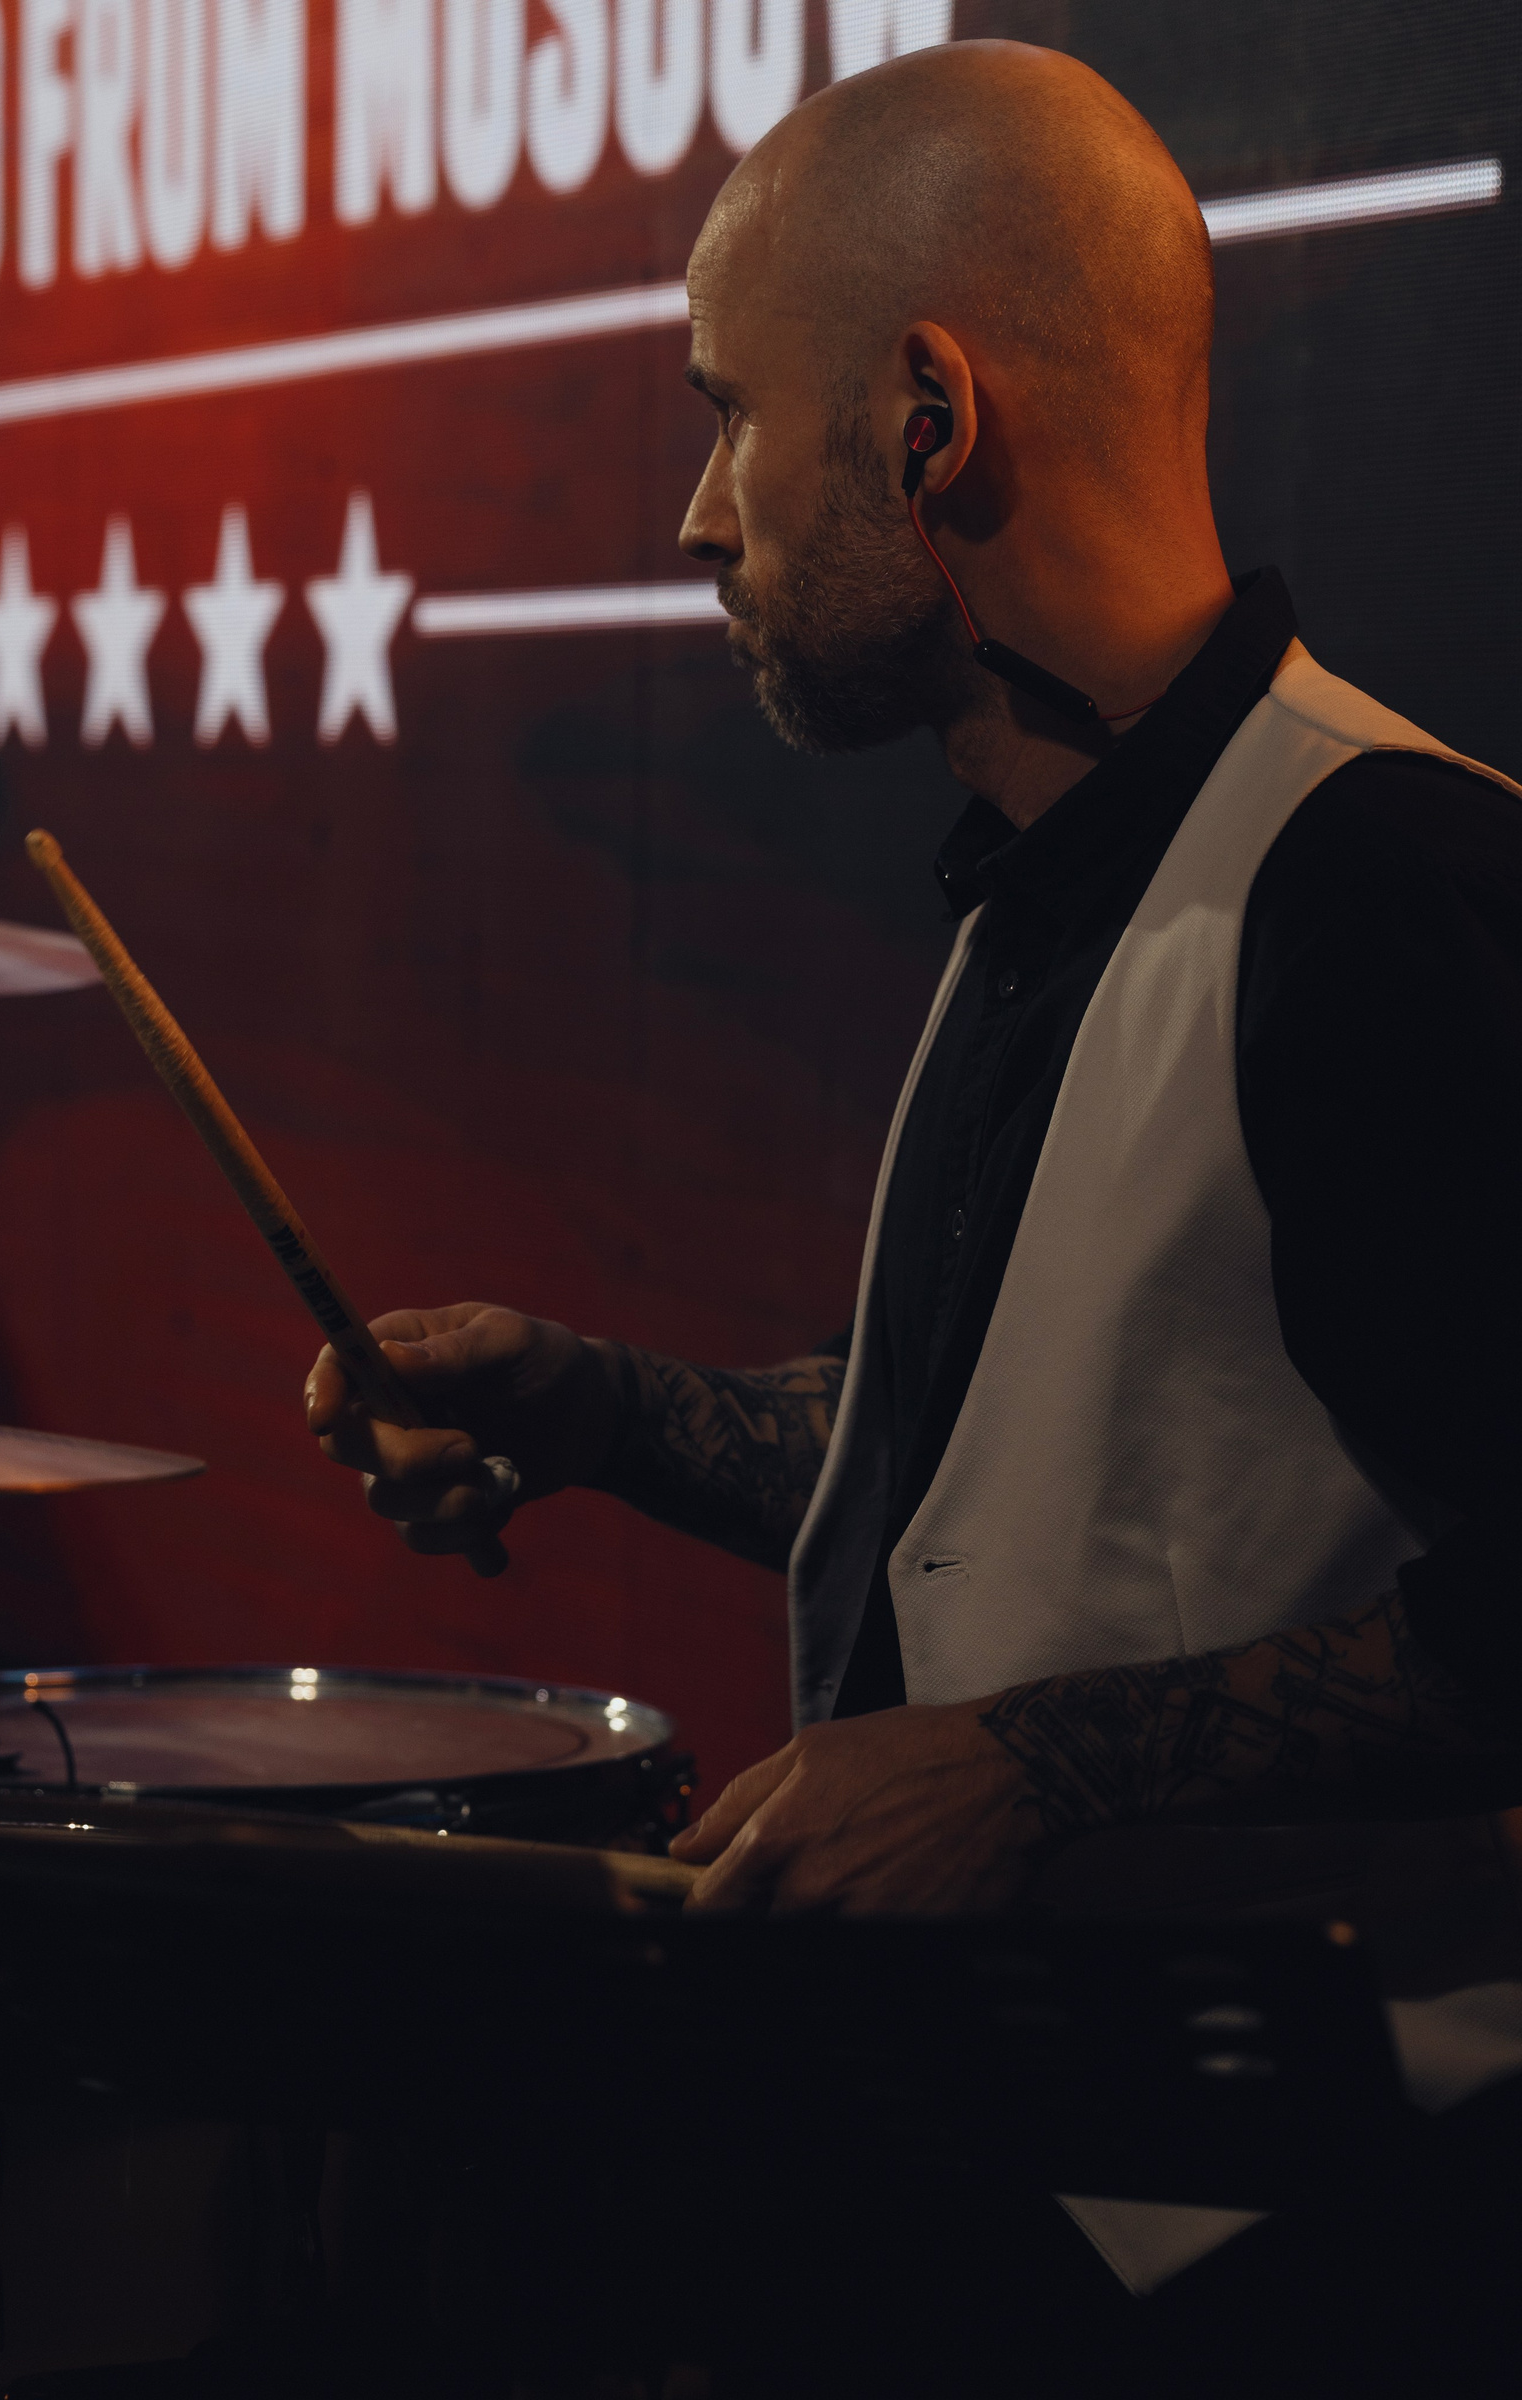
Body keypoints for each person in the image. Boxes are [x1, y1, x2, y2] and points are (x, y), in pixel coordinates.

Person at [306, 39, 1522, 2390]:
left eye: (730, 416)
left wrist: (1018, 1767)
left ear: (928, 420)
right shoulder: (1058, 878)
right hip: (1041, 2197)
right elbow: (1046, 1474)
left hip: (1327, 2258)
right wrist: (590, 1406)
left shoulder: (1379, 891)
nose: (700, 515)